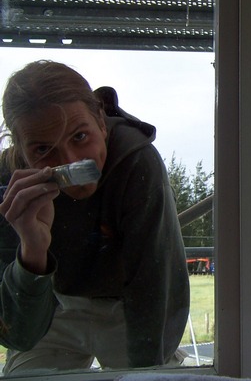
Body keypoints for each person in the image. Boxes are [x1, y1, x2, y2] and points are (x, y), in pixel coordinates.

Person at [0, 60, 190, 373]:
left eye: (79, 137)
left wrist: (147, 371)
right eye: (43, 150)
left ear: (101, 122)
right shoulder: (11, 186)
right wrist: (32, 250)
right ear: (20, 151)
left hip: (126, 306)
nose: (70, 161)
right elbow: (18, 333)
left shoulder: (136, 162)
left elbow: (154, 285)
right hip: (52, 304)